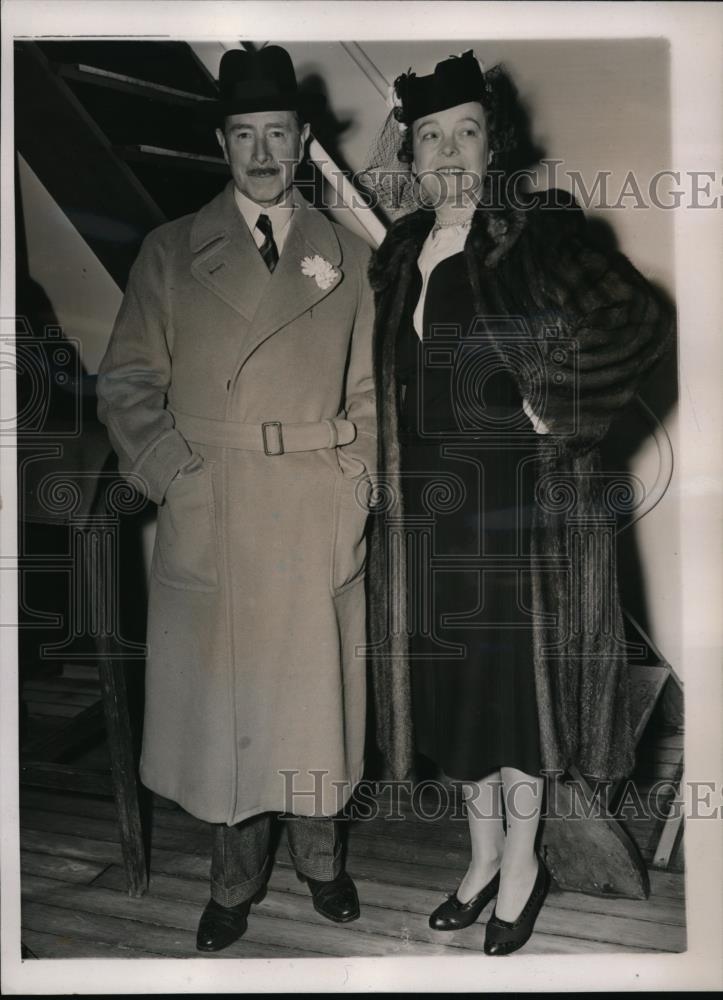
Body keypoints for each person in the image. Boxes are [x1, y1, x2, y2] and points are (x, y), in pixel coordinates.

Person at [365, 51, 673, 955]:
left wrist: (558, 402)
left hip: (514, 503)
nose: (449, 153)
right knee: (451, 688)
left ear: (492, 143)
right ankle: (479, 856)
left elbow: (636, 320)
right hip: (426, 504)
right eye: (430, 137)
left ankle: (525, 865)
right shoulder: (396, 249)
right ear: (412, 155)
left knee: (516, 698)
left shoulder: (536, 231)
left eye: (466, 132)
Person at [97, 46, 376, 952]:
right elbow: (128, 383)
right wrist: (176, 474)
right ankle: (232, 881)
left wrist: (357, 479)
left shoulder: (352, 257)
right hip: (210, 501)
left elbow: (377, 397)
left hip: (311, 502)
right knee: (226, 710)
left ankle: (323, 863)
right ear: (223, 143)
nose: (263, 153)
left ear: (302, 143)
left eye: (278, 135)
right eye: (245, 135)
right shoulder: (170, 251)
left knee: (312, 702)